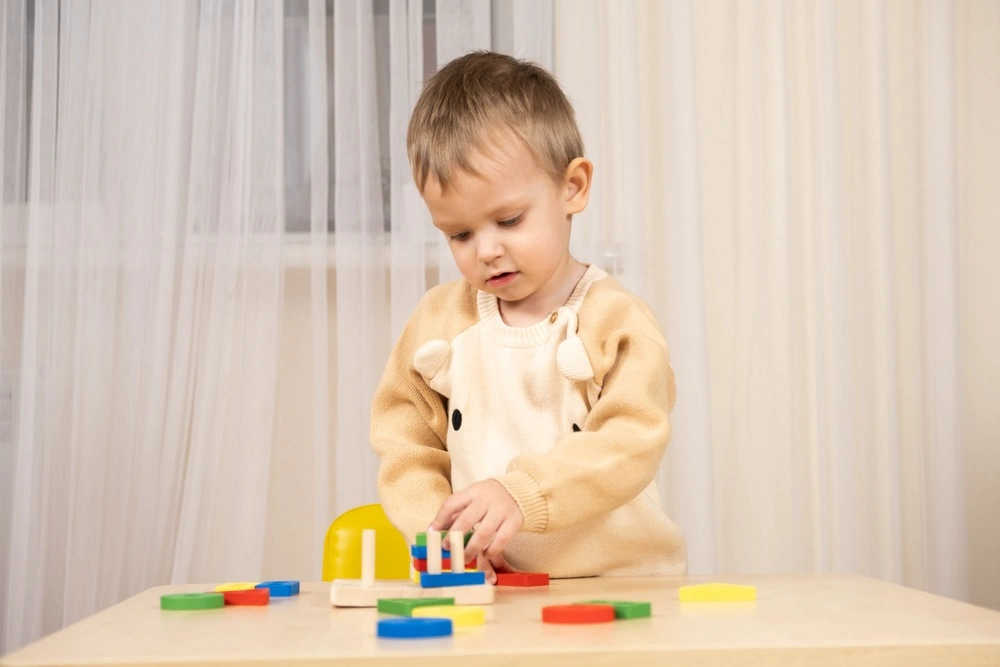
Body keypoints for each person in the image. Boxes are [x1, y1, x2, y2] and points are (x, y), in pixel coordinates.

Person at [370, 51, 685, 583]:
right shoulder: (438, 321)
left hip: (622, 588)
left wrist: (524, 493)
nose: (486, 249)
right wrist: (444, 535)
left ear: (573, 187)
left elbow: (633, 439)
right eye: (459, 234)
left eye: (508, 220)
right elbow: (406, 447)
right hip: (493, 591)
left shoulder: (615, 320)